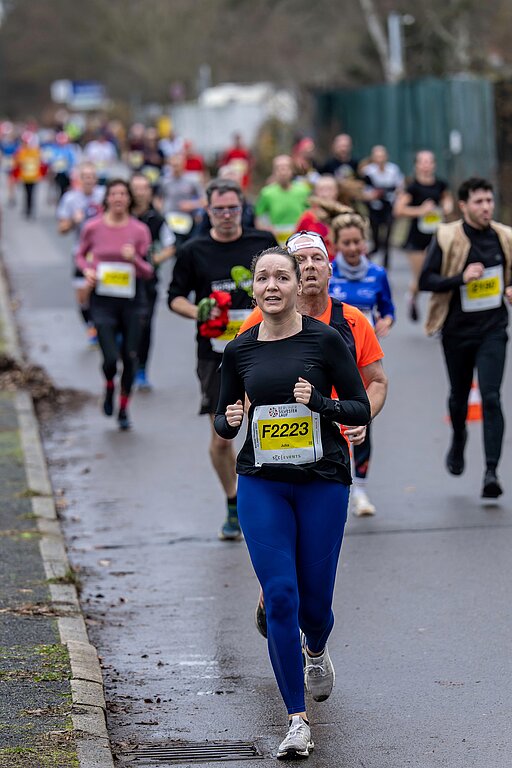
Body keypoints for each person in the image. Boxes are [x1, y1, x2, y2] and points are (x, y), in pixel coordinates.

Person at [214, 246, 371, 759]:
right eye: (264, 278)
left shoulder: (325, 340)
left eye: (283, 276)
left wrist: (320, 403)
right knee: (279, 594)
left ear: (299, 284)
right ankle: (296, 719)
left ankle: (317, 648)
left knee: (315, 604)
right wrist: (230, 421)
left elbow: (358, 405)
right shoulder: (239, 350)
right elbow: (222, 416)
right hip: (263, 480)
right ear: (254, 289)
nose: (274, 285)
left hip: (322, 479)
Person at [238, 230, 388, 636]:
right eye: (299, 261)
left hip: (330, 449)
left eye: (315, 260)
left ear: (329, 268)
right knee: (282, 550)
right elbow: (244, 385)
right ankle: (275, 589)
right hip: (277, 453)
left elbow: (376, 380)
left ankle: (310, 635)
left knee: (316, 560)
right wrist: (248, 413)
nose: (308, 268)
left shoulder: (352, 320)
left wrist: (362, 417)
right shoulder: (258, 322)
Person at [168, 178, 276, 540]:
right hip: (215, 356)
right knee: (221, 438)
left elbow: (286, 283)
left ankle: (273, 505)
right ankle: (233, 500)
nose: (227, 216)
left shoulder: (263, 243)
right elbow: (174, 297)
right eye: (219, 210)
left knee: (270, 429)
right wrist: (199, 310)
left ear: (242, 207)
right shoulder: (193, 250)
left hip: (265, 349)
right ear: (207, 210)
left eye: (233, 208)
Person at [419, 177, 512, 499]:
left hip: (494, 329)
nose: (486, 207)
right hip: (457, 332)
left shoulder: (504, 236)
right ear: (463, 205)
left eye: (489, 200)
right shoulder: (447, 236)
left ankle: (491, 471)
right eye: (479, 202)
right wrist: (461, 278)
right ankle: (458, 438)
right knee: (459, 396)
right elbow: (426, 279)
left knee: (491, 397)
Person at [330, 211, 395, 515]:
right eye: (347, 243)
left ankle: (362, 492)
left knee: (363, 421)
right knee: (332, 421)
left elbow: (387, 307)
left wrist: (385, 321)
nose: (353, 248)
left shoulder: (378, 274)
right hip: (331, 361)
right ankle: (335, 484)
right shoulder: (328, 273)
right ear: (337, 244)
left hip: (365, 359)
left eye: (357, 241)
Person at [76, 179, 153, 430]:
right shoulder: (93, 227)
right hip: (103, 302)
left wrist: (135, 260)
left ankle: (123, 408)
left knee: (130, 357)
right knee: (110, 358)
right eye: (114, 194)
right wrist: (88, 270)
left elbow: (148, 270)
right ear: (106, 198)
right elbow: (79, 255)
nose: (119, 198)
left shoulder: (140, 230)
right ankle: (109, 385)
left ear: (129, 199)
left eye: (123, 194)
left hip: (133, 302)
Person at [394, 150, 453, 321]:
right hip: (417, 240)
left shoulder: (440, 184)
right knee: (422, 279)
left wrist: (447, 206)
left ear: (434, 165)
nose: (426, 165)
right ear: (417, 165)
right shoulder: (412, 187)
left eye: (429, 161)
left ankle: (439, 317)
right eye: (423, 161)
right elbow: (399, 210)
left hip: (438, 237)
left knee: (440, 278)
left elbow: (447, 199)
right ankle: (412, 297)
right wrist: (420, 210)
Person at [130, 173, 176, 390]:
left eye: (144, 188)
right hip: (121, 281)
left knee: (145, 324)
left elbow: (171, 245)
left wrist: (157, 258)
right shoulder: (122, 215)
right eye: (136, 188)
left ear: (150, 192)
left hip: (147, 281)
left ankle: (141, 369)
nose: (140, 192)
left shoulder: (156, 219)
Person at [57, 162, 105, 345]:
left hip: (103, 252)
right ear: (79, 179)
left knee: (103, 290)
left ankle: (103, 327)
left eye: (92, 177)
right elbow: (61, 229)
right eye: (85, 177)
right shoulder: (70, 199)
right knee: (82, 295)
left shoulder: (104, 195)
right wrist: (72, 221)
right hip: (81, 253)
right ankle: (90, 326)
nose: (89, 181)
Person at [360, 145, 404, 268]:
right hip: (374, 207)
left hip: (389, 206)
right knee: (375, 236)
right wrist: (371, 196)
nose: (380, 159)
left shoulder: (393, 170)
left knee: (389, 233)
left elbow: (400, 186)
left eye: (382, 156)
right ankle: (370, 254)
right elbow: (363, 191)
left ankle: (386, 261)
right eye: (377, 156)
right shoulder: (368, 171)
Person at [255, 155, 310, 245]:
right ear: (274, 172)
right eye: (279, 168)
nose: (283, 172)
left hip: (300, 236)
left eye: (286, 168)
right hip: (276, 239)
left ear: (292, 170)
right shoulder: (266, 192)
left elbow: (311, 212)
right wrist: (267, 229)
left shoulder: (303, 190)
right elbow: (259, 217)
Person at [157, 152, 205, 247]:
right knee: (169, 244)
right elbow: (158, 198)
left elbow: (204, 200)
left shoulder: (192, 180)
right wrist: (161, 210)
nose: (176, 168)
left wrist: (192, 205)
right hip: (169, 218)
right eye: (173, 165)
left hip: (186, 219)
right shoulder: (165, 181)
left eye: (178, 165)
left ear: (183, 165)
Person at [294, 175, 344, 260]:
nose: (325, 194)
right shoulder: (307, 218)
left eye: (329, 189)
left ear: (336, 192)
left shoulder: (344, 214)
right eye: (321, 190)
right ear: (316, 193)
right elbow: (295, 244)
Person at [13, 131, 43, 218]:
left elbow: (40, 163)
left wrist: (40, 175)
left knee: (31, 193)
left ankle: (30, 209)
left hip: (33, 177)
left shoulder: (36, 151)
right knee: (26, 193)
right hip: (25, 177)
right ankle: (27, 209)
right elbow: (17, 163)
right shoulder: (21, 152)